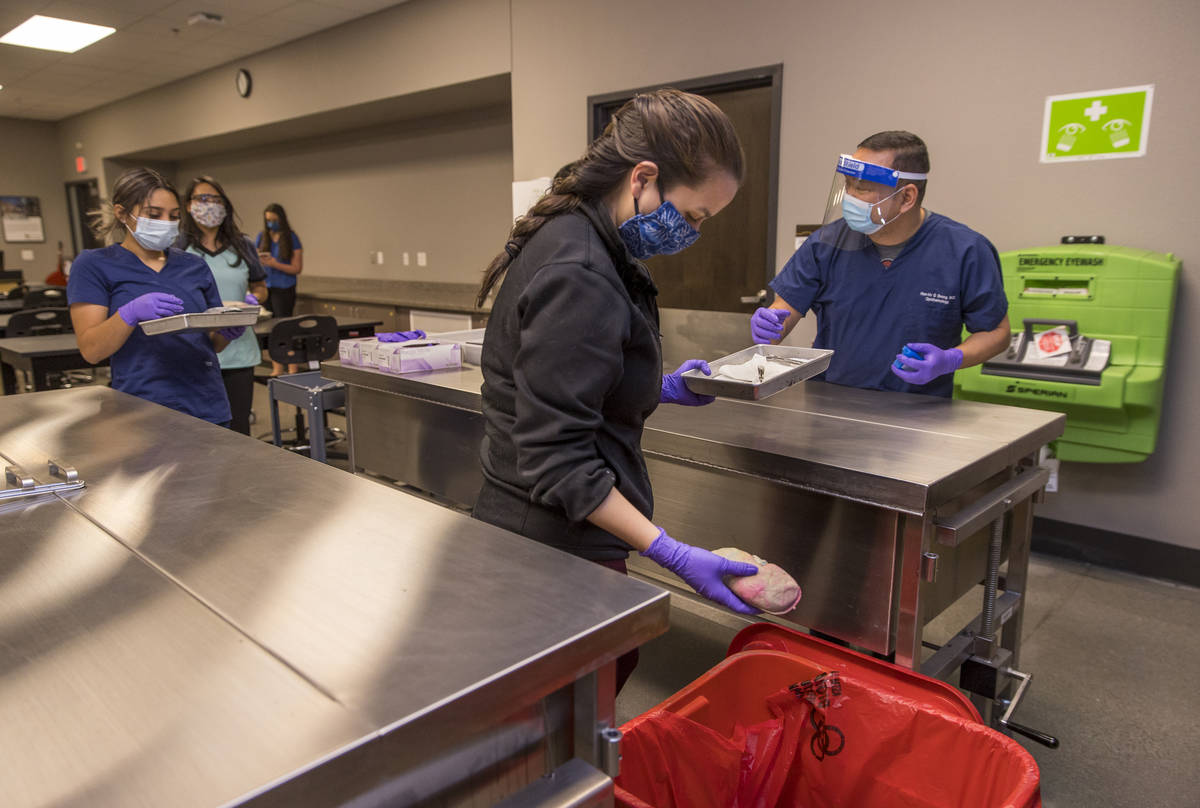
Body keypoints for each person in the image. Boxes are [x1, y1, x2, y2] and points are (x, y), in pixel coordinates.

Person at [472, 88, 761, 693]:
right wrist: (671, 553)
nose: (693, 234)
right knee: (565, 726)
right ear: (644, 178)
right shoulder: (580, 268)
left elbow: (571, 373)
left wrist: (655, 386)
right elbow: (558, 458)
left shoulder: (591, 235)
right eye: (693, 216)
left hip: (551, 528)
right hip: (551, 539)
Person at [750, 131, 1010, 397]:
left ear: (907, 197)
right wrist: (769, 325)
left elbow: (996, 333)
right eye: (848, 184)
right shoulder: (824, 244)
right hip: (831, 409)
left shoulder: (965, 250)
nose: (850, 195)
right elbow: (781, 316)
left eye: (861, 188)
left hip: (920, 416)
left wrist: (951, 359)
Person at [68, 167, 243, 426]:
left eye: (173, 216)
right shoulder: (94, 265)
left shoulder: (193, 265)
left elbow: (209, 343)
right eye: (153, 214)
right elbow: (92, 351)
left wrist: (227, 333)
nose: (165, 223)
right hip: (141, 408)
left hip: (206, 403)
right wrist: (128, 314)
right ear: (122, 213)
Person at [178, 176, 268, 435]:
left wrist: (255, 299)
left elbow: (260, 285)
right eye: (201, 199)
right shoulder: (179, 247)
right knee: (199, 430)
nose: (209, 206)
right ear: (188, 205)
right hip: (197, 350)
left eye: (215, 200)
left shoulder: (242, 245)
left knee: (238, 428)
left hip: (239, 349)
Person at [256, 203, 303, 375]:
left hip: (285, 288)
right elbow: (253, 257)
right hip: (267, 288)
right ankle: (277, 368)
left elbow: (297, 268)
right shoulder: (262, 237)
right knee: (271, 330)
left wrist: (275, 264)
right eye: (268, 220)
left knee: (286, 328)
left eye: (274, 220)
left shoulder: (291, 238)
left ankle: (292, 368)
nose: (271, 224)